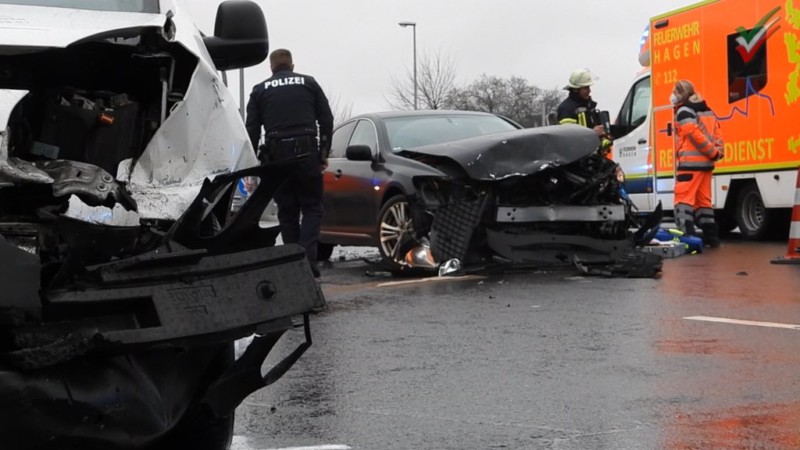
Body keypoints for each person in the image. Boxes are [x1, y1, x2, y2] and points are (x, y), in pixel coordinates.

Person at [245, 48, 334, 277]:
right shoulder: (309, 83)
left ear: (271, 68)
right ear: (292, 65)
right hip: (306, 151)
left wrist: (252, 162)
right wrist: (323, 152)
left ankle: (293, 262)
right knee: (312, 207)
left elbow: (252, 129)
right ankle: (307, 258)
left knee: (287, 210)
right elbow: (326, 118)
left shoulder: (260, 90)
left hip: (277, 154)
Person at [670, 79, 724, 247]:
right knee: (704, 203)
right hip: (707, 165)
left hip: (690, 164)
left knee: (683, 201)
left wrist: (711, 151)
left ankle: (687, 239)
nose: (672, 95)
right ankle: (711, 239)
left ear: (681, 94)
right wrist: (716, 153)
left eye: (675, 92)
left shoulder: (684, 111)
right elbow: (718, 133)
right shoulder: (707, 110)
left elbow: (693, 134)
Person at [556, 68, 613, 156]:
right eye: (586, 88)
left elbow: (594, 129)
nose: (589, 91)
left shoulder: (588, 106)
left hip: (591, 156)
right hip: (577, 159)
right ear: (576, 89)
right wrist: (592, 133)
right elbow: (568, 138)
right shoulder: (567, 108)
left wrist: (604, 140)